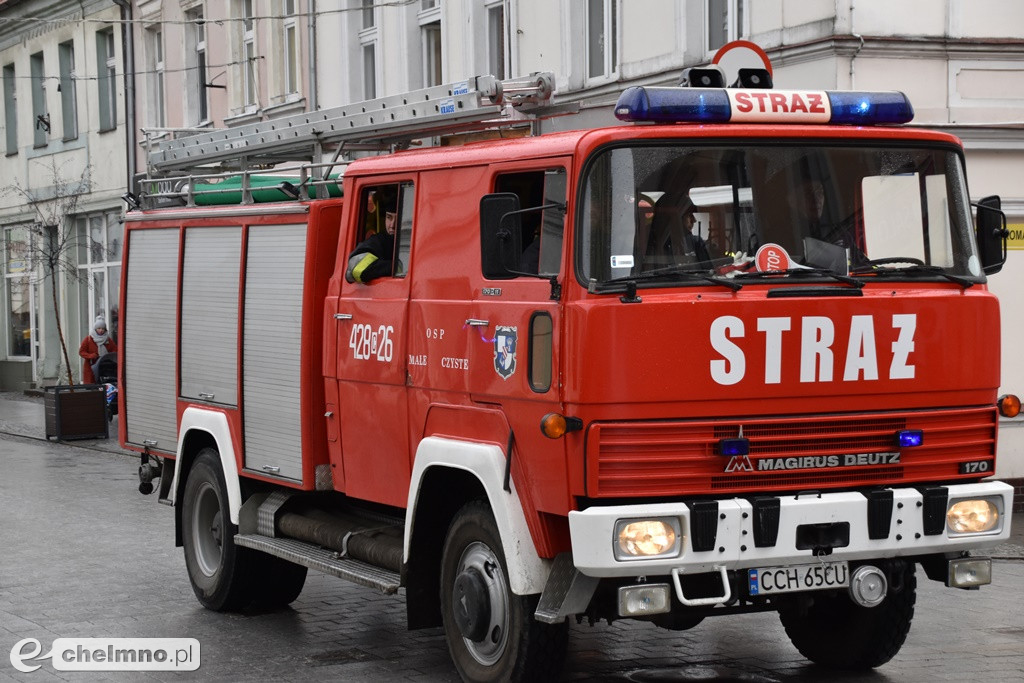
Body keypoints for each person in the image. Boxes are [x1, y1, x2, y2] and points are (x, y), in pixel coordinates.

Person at [346, 206, 397, 284]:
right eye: (389, 217)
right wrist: (399, 267)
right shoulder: (379, 241)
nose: (392, 225)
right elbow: (357, 269)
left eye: (399, 218)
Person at [79, 315, 117, 385]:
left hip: (104, 368)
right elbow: (81, 352)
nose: (101, 330)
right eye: (99, 328)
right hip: (90, 367)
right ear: (95, 329)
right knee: (91, 387)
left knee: (102, 386)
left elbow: (115, 351)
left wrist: (108, 357)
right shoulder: (88, 339)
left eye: (103, 329)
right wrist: (90, 356)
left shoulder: (108, 340)